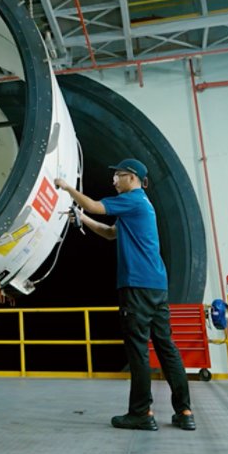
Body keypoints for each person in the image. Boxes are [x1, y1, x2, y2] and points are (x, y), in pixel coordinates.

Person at [54, 158, 196, 431]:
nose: (114, 180)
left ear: (132, 177)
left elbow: (95, 205)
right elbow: (110, 233)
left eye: (118, 175)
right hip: (157, 286)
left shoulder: (132, 200)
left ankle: (141, 413)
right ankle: (185, 411)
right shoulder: (142, 206)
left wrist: (67, 187)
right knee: (166, 348)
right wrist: (82, 218)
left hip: (136, 286)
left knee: (138, 350)